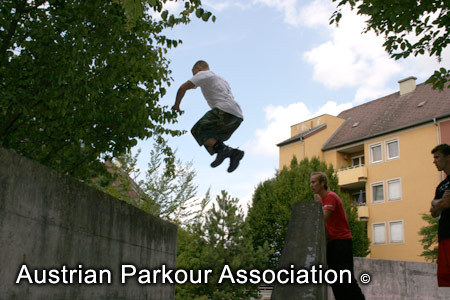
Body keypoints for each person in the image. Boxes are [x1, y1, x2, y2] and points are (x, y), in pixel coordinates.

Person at [172, 60, 244, 173]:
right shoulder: (222, 79)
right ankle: (232, 153)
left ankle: (225, 151)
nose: (194, 77)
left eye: (194, 73)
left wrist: (176, 105)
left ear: (199, 68)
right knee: (209, 136)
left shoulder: (203, 74)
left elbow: (183, 88)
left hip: (223, 111)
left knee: (197, 130)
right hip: (237, 117)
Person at [310, 171, 365, 300]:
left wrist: (318, 205)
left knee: (346, 279)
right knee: (335, 279)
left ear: (322, 183)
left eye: (314, 182)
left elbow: (322, 219)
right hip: (332, 242)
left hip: (342, 242)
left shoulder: (330, 197)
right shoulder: (323, 200)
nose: (311, 185)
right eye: (310, 182)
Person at [430, 144, 450, 287]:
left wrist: (437, 204)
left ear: (448, 157)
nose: (434, 161)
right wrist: (438, 203)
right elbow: (433, 211)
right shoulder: (441, 186)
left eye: (437, 157)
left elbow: (446, 204)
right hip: (444, 236)